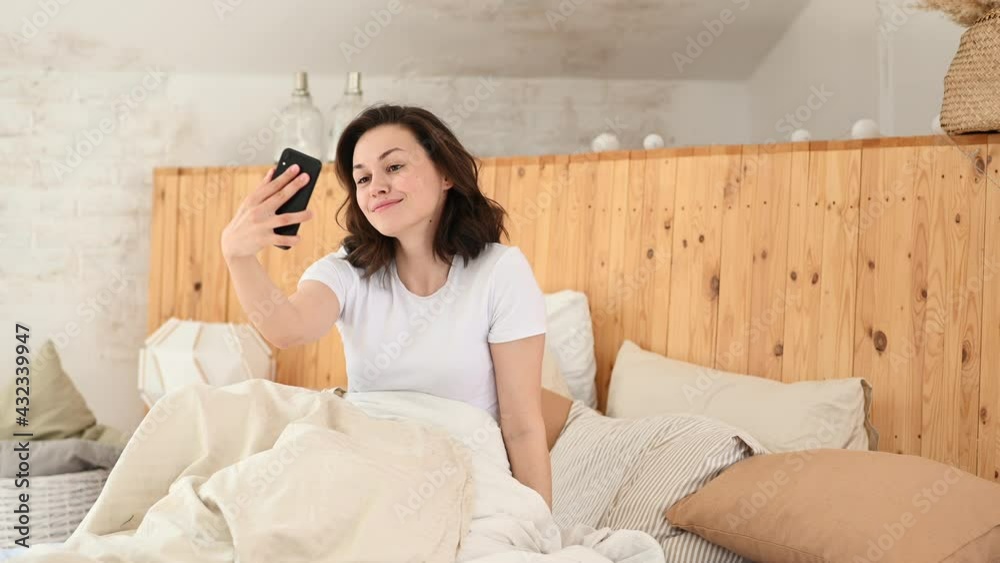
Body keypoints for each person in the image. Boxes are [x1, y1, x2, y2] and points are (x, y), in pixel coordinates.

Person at [221, 104, 553, 508]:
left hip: (459, 479)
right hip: (365, 466)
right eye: (362, 178)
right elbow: (288, 329)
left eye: (393, 167)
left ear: (446, 174)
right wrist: (238, 256)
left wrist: (540, 525)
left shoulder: (500, 272)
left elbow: (522, 428)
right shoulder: (347, 271)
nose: (375, 186)